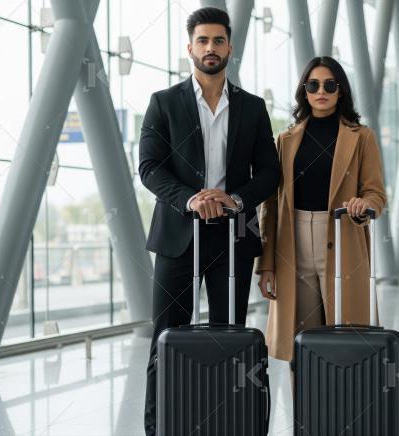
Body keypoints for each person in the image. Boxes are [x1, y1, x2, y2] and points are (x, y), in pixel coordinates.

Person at [137, 7, 279, 435]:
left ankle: (225, 425)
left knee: (229, 340)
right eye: (203, 41)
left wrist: (235, 199)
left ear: (230, 47)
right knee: (165, 340)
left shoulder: (252, 108)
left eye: (218, 40)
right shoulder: (163, 103)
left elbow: (270, 173)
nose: (210, 48)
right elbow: (149, 167)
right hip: (179, 237)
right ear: (190, 48)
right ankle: (158, 428)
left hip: (233, 240)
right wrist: (191, 199)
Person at [255, 56, 387, 372]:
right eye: (313, 85)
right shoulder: (286, 140)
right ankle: (307, 418)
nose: (321, 91)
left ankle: (346, 416)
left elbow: (377, 195)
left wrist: (362, 205)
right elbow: (271, 206)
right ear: (305, 91)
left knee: (347, 338)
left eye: (330, 84)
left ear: (341, 91)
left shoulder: (361, 137)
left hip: (343, 240)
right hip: (293, 244)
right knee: (301, 343)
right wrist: (267, 265)